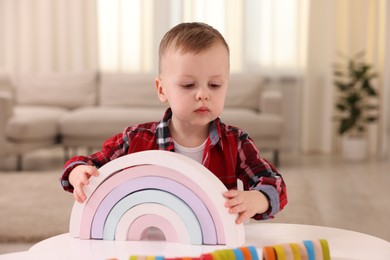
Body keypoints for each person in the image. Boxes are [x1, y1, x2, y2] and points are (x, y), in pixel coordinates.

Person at [60, 22, 287, 224]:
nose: (203, 94)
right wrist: (78, 172)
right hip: (147, 238)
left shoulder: (235, 142)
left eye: (215, 85)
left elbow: (275, 185)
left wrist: (257, 200)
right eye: (188, 85)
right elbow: (87, 164)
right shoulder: (136, 139)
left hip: (213, 243)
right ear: (162, 89)